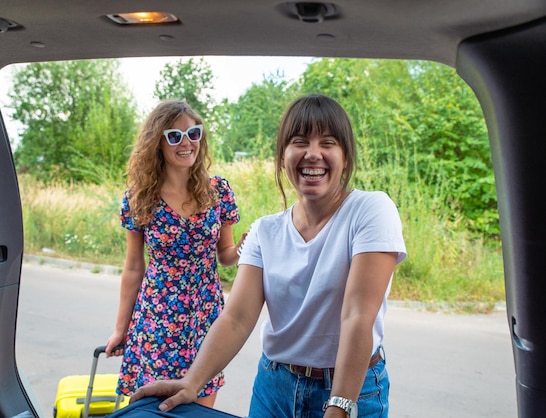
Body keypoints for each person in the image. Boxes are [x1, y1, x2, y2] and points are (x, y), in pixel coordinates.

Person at [128, 93, 407, 418]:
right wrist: (192, 382)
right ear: (282, 156)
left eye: (328, 142)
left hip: (353, 389)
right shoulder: (266, 230)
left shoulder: (371, 210)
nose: (313, 154)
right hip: (274, 388)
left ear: (345, 157)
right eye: (300, 142)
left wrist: (339, 405)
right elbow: (236, 318)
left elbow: (358, 315)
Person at [105, 99, 246, 408]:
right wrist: (121, 328)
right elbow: (133, 268)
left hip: (206, 314)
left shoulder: (218, 190)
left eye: (194, 133)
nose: (186, 143)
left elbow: (225, 255)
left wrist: (242, 249)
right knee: (154, 407)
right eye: (174, 136)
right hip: (157, 315)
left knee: (200, 404)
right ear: (158, 142)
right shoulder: (139, 198)